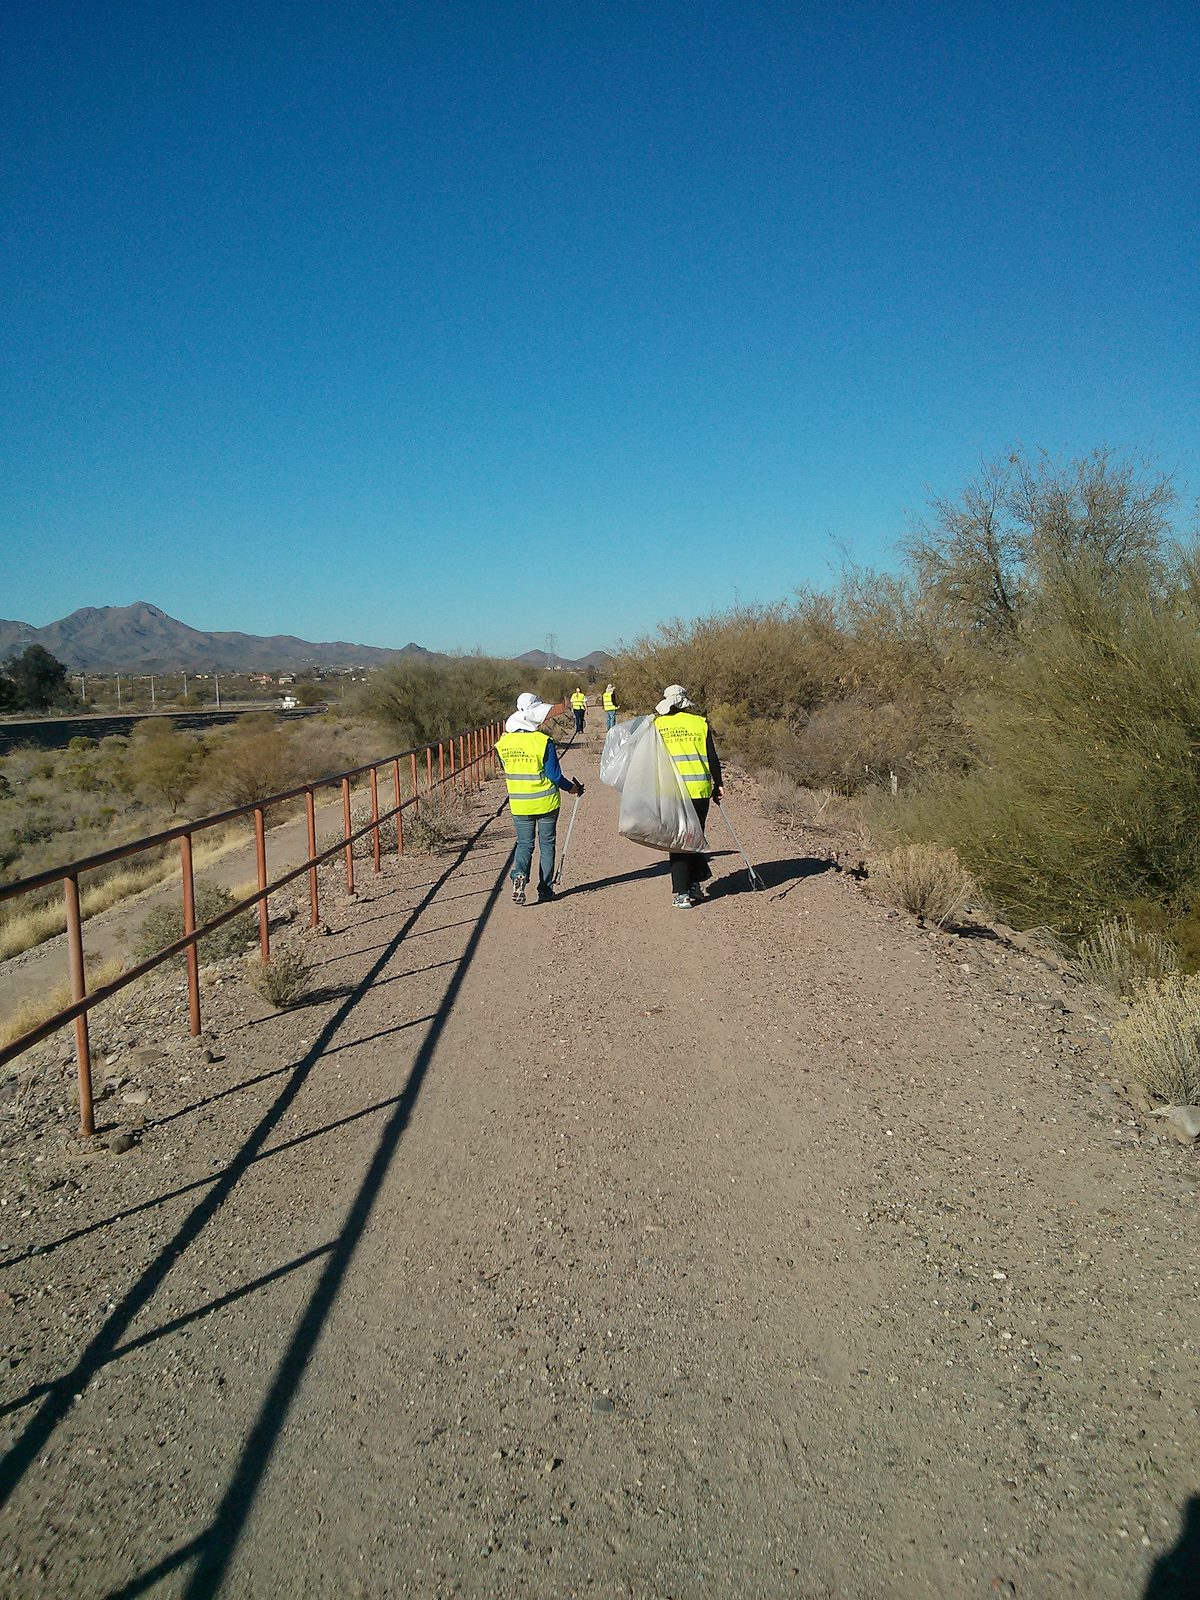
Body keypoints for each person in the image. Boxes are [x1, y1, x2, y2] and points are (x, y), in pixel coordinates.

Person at [495, 692, 584, 905]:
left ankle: (519, 875)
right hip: (546, 803)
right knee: (547, 845)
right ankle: (544, 888)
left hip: (519, 803)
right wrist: (573, 788)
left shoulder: (503, 744)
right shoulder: (543, 741)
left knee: (524, 844)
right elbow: (554, 775)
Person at [653, 684, 723, 909]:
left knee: (679, 841)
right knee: (694, 837)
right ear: (684, 702)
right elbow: (712, 757)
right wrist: (718, 783)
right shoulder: (699, 723)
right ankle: (693, 883)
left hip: (671, 792)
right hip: (699, 790)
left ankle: (683, 893)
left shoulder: (657, 725)